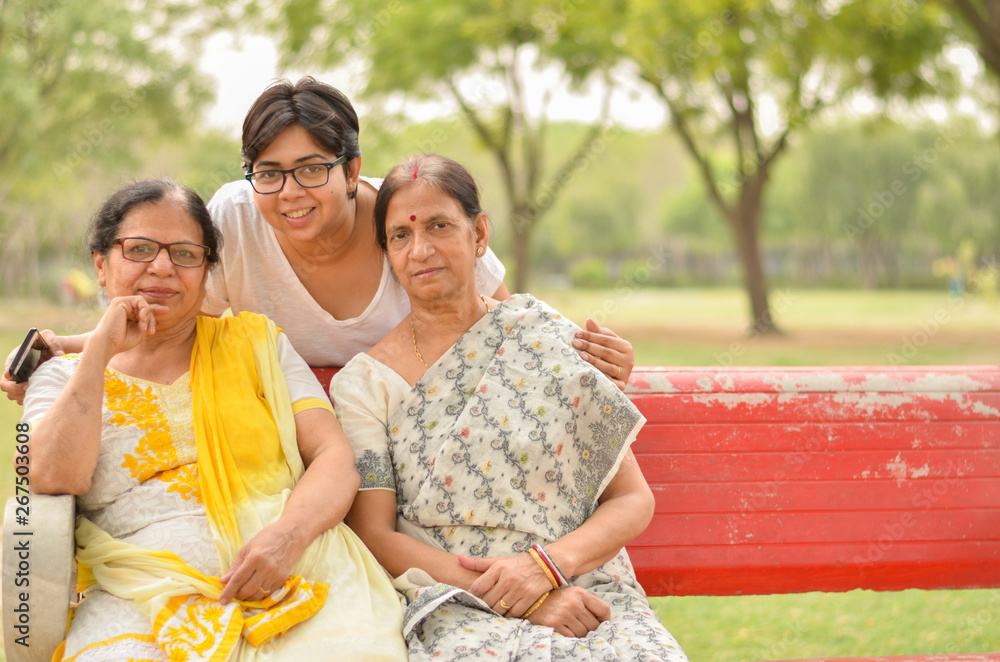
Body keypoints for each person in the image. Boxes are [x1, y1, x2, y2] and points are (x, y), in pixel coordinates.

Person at [2, 77, 634, 400]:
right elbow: (175, 325)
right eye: (269, 174)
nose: (290, 193)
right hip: (290, 439)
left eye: (312, 170)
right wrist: (73, 347)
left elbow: (502, 316)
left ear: (352, 168)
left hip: (401, 436)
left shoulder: (408, 217)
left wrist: (596, 355)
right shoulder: (234, 218)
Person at [21, 179, 407, 661]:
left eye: (185, 254)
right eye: (139, 249)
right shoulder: (61, 375)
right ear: (101, 264)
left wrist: (286, 539)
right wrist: (99, 348)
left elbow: (335, 458)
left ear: (206, 272)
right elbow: (53, 474)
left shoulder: (257, 345)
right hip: (140, 597)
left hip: (300, 571)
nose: (161, 266)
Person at [330, 154, 688, 661]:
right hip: (457, 603)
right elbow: (374, 531)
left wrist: (545, 569)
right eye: (400, 237)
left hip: (582, 587)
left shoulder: (544, 338)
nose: (421, 250)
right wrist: (517, 596)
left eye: (439, 226)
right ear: (387, 252)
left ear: (479, 234)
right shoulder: (366, 385)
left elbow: (633, 499)